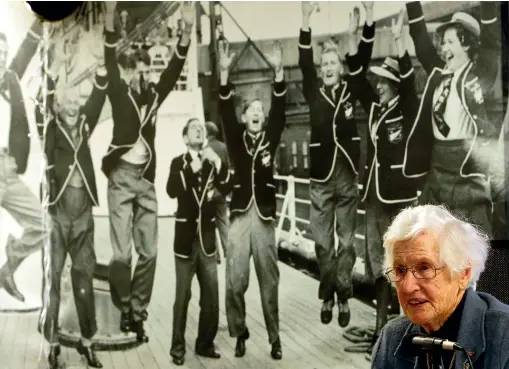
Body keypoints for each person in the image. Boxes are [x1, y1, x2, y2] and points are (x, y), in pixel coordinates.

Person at [102, 1, 194, 342]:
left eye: (146, 73)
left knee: (150, 253)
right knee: (121, 254)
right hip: (121, 179)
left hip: (147, 182)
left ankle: (138, 314)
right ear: (128, 75)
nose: (143, 77)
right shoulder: (118, 91)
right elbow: (110, 57)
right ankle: (124, 307)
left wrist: (184, 35)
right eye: (136, 73)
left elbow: (173, 69)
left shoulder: (154, 94)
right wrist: (110, 18)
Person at [346, 6, 420, 356]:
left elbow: (410, 87)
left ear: (393, 84)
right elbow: (355, 77)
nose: (376, 84)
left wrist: (401, 42)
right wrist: (366, 28)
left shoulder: (406, 106)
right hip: (374, 197)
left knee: (402, 265)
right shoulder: (376, 107)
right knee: (378, 263)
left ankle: (405, 332)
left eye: (382, 81)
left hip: (398, 198)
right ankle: (380, 331)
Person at [298, 0, 375, 327]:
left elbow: (364, 59)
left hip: (346, 177)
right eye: (324, 62)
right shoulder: (313, 90)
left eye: (333, 62)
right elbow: (303, 63)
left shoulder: (350, 89)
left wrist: (367, 21)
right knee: (322, 244)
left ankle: (340, 298)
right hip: (319, 178)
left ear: (340, 68)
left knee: (346, 243)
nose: (328, 66)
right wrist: (305, 19)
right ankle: (329, 290)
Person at [402, 1, 503, 238]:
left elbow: (490, 41)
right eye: (443, 42)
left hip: (466, 166)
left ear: (466, 43)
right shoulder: (439, 73)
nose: (443, 48)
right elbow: (421, 41)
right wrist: (411, 4)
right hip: (437, 164)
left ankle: (495, 277)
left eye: (450, 42)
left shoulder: (481, 73)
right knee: (435, 241)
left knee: (478, 240)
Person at [35, 47, 107, 369]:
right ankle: (52, 343)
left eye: (77, 101)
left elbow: (98, 97)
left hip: (83, 218)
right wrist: (49, 78)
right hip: (58, 216)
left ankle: (87, 342)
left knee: (83, 280)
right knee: (52, 283)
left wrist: (103, 71)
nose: (74, 105)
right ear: (57, 107)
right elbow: (41, 110)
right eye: (68, 102)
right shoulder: (50, 129)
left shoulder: (86, 124)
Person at [372, 204, 509, 369]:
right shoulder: (392, 337)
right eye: (400, 270)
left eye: (425, 268)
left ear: (463, 274)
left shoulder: (504, 334)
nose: (408, 287)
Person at [218, 40, 286, 360]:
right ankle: (240, 331)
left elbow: (281, 112)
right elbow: (224, 110)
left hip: (265, 218)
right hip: (240, 216)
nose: (257, 114)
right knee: (234, 280)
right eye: (252, 111)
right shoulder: (236, 140)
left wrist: (279, 73)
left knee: (269, 282)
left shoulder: (270, 138)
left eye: (261, 111)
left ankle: (275, 339)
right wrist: (223, 74)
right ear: (244, 118)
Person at [166, 119, 233, 366]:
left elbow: (226, 186)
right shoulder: (178, 163)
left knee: (211, 296)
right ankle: (177, 348)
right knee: (182, 297)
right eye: (193, 128)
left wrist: (218, 163)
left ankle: (205, 343)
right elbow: (171, 190)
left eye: (201, 129)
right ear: (185, 138)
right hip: (184, 242)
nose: (198, 130)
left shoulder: (210, 163)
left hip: (206, 239)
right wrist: (190, 170)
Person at [0, 28, 45, 303]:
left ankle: (8, 267)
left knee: (43, 226)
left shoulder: (10, 80)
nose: (2, 57)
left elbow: (26, 49)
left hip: (8, 168)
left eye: (4, 53)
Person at [204, 120, 230, 264]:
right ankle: (228, 251)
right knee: (223, 221)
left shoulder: (205, 148)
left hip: (209, 191)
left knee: (209, 223)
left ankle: (215, 255)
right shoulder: (223, 147)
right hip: (221, 191)